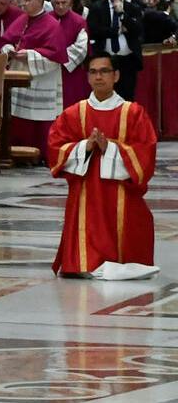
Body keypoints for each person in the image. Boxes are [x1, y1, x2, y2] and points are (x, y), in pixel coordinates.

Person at [47, 53, 160, 280]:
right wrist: (84, 147)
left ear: (116, 76)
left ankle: (119, 264)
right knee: (81, 263)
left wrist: (111, 148)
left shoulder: (133, 113)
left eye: (104, 71)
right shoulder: (74, 113)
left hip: (122, 195)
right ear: (88, 77)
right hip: (84, 194)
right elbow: (55, 148)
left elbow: (145, 153)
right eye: (93, 72)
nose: (99, 77)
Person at [0, 0, 74, 152]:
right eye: (23, 0)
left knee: (39, 120)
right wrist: (8, 49)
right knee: (17, 116)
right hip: (19, 74)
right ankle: (17, 150)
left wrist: (29, 55)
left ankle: (39, 152)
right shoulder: (22, 19)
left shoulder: (52, 25)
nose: (23, 3)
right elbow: (7, 40)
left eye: (27, 0)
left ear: (39, 1)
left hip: (41, 79)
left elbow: (55, 56)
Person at [86, 0, 146, 99]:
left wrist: (122, 15)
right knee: (104, 96)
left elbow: (138, 30)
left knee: (126, 97)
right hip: (105, 59)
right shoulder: (97, 7)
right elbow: (94, 30)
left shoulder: (133, 8)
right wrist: (116, 31)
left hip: (127, 60)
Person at [49, 0, 92, 105]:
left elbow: (81, 48)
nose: (61, 6)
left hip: (71, 73)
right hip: (49, 71)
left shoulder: (79, 21)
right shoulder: (44, 20)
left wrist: (58, 58)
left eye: (64, 3)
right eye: (57, 3)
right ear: (52, 3)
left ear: (70, 2)